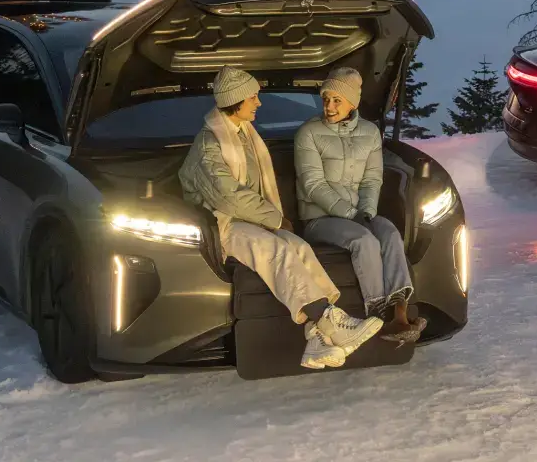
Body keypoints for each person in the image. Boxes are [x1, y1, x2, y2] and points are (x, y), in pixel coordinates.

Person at [179, 66, 384, 370]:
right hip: (220, 223)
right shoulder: (211, 145)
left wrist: (276, 222)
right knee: (274, 249)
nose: (259, 103)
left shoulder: (244, 133)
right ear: (236, 101)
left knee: (298, 246)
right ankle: (329, 320)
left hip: (247, 219)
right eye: (253, 98)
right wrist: (275, 218)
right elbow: (228, 196)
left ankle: (318, 338)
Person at [295, 67, 427, 345]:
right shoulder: (308, 133)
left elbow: (371, 179)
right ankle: (376, 313)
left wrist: (366, 211)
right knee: (364, 240)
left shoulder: (369, 133)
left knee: (389, 232)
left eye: (336, 100)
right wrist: (351, 214)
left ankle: (400, 312)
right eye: (326, 99)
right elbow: (313, 185)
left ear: (352, 103)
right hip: (320, 217)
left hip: (358, 213)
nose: (329, 106)